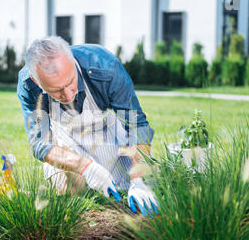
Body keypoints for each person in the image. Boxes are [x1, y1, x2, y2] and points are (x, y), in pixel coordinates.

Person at [17, 36, 158, 216]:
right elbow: (40, 144)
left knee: (143, 180)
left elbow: (136, 125)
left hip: (109, 133)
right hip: (67, 139)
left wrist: (138, 179)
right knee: (69, 189)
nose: (68, 96)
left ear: (72, 61)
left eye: (70, 82)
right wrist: (87, 168)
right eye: (56, 90)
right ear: (37, 81)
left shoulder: (105, 66)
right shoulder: (29, 85)